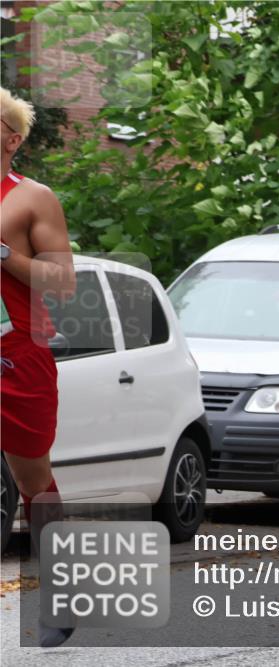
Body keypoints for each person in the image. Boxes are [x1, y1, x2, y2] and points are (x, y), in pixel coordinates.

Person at [1, 87, 77, 646]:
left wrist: (5, 254)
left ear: (11, 139)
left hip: (16, 354)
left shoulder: (32, 199)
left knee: (33, 479)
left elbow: (63, 281)